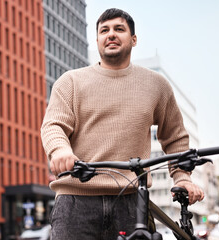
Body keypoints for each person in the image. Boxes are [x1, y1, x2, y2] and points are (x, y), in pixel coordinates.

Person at [41, 8, 204, 240]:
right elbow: (53, 125)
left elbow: (175, 137)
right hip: (76, 200)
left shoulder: (156, 85)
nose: (111, 34)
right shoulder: (71, 82)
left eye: (119, 29)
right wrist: (60, 150)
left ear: (133, 39)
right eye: (104, 30)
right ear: (97, 39)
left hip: (132, 200)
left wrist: (182, 178)